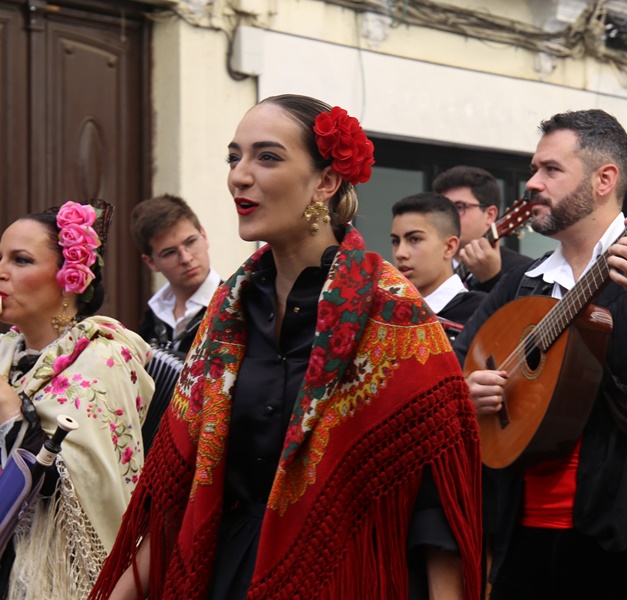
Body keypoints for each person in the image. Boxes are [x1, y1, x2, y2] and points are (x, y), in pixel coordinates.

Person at [92, 95, 482, 600]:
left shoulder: (393, 315)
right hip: (222, 575)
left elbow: (436, 510)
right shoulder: (225, 316)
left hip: (348, 579)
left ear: (325, 180)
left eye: (267, 157)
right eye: (235, 157)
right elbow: (179, 495)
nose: (239, 175)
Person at [453, 109, 627, 599]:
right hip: (521, 533)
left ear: (605, 179)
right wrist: (469, 389)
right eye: (534, 168)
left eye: (551, 170)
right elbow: (456, 368)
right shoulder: (521, 282)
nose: (533, 183)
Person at [0, 199, 153, 599]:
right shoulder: (5, 354)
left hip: (49, 576)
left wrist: (10, 410)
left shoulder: (105, 359)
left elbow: (76, 490)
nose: (2, 272)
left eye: (20, 260)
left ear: (69, 278)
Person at [130, 195, 220, 358]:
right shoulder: (151, 321)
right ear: (150, 262)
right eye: (170, 253)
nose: (186, 258)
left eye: (191, 242)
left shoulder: (236, 306)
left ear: (204, 236)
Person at [391, 192, 487, 327]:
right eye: (395, 241)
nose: (400, 253)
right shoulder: (387, 312)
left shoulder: (482, 312)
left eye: (415, 239)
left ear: (449, 247)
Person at [432, 166, 533, 292]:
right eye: (443, 209)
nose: (449, 216)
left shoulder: (522, 269)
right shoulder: (430, 265)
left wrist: (491, 279)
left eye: (459, 207)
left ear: (489, 215)